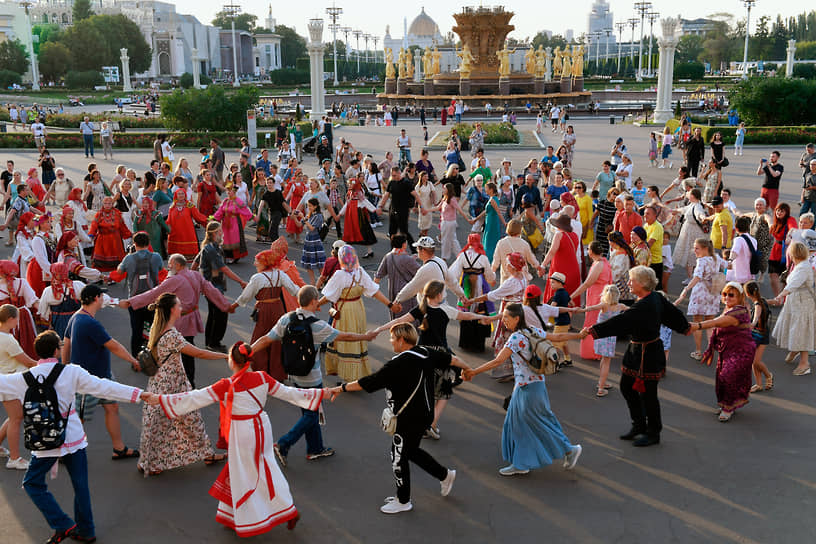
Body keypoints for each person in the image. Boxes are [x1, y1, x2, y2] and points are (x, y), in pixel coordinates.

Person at [0, 331, 150, 544]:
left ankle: (62, 523)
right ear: (56, 351)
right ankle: (85, 530)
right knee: (81, 486)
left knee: (33, 483)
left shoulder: (22, 378)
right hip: (73, 438)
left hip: (45, 441)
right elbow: (104, 387)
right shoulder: (71, 373)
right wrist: (138, 394)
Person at [327, 323, 466, 513]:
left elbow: (369, 382)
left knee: (398, 456)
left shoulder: (398, 363)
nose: (391, 341)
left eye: (393, 338)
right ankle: (444, 475)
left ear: (402, 340)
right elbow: (453, 359)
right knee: (411, 451)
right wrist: (469, 370)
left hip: (409, 418)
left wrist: (340, 388)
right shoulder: (425, 352)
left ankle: (403, 501)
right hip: (424, 413)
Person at [249, 286, 375, 465]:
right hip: (312, 376)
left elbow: (266, 339)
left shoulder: (286, 319)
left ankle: (315, 448)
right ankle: (284, 443)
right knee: (311, 416)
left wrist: (248, 352)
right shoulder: (317, 326)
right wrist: (365, 336)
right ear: (314, 301)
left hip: (294, 374)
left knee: (309, 412)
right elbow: (344, 336)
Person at [465, 303, 583, 475]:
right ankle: (523, 462)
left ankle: (567, 450)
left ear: (517, 318)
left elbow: (498, 361)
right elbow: (556, 337)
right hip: (534, 385)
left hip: (527, 389)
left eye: (506, 317)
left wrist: (474, 371)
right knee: (525, 423)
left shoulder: (515, 338)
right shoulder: (533, 330)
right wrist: (579, 335)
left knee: (533, 424)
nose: (503, 320)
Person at [584, 266, 691, 447]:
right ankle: (639, 425)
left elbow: (621, 322)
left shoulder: (645, 304)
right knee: (627, 387)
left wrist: (593, 331)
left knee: (649, 395)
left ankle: (653, 432)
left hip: (648, 353)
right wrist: (684, 326)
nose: (628, 283)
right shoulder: (654, 297)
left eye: (631, 280)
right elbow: (672, 313)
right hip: (636, 350)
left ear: (642, 283)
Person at [137, 293, 228, 476]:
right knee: (178, 422)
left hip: (161, 382)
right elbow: (198, 353)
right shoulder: (171, 335)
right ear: (171, 310)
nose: (181, 308)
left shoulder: (158, 328)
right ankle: (150, 462)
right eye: (178, 305)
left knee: (181, 421)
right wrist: (225, 356)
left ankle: (205, 454)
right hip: (172, 384)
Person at [123, 254, 232, 388]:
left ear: (177, 264)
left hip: (178, 321)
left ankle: (179, 384)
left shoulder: (174, 280)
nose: (168, 266)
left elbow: (154, 294)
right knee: (188, 352)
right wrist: (226, 306)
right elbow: (212, 291)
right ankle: (190, 383)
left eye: (170, 263)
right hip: (191, 318)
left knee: (174, 353)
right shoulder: (196, 275)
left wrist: (131, 302)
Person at [63, 284, 142, 460]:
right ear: (96, 298)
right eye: (102, 296)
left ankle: (119, 448)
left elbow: (66, 343)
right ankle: (64, 450)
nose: (103, 299)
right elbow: (113, 345)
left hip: (102, 375)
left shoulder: (77, 317)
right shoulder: (89, 322)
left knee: (112, 407)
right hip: (89, 380)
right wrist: (133, 360)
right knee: (79, 417)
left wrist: (65, 366)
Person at [319, 246, 391, 381]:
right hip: (358, 309)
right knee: (357, 337)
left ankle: (349, 376)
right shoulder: (360, 272)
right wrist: (389, 304)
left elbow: (328, 296)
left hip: (345, 310)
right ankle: (358, 373)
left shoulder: (340, 275)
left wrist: (316, 304)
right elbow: (374, 291)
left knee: (346, 338)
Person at [695, 282, 757, 422]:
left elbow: (715, 323)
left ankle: (728, 407)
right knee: (723, 378)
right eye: (724, 294)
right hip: (729, 350)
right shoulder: (730, 309)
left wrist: (695, 326)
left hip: (742, 351)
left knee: (728, 376)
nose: (727, 297)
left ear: (740, 297)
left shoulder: (738, 312)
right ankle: (727, 405)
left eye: (731, 295)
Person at [197, 223, 247, 352]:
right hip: (213, 287)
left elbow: (196, 262)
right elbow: (224, 269)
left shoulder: (209, 247)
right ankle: (214, 343)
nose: (222, 233)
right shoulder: (212, 250)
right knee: (221, 313)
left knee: (214, 314)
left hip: (210, 286)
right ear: (214, 234)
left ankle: (210, 342)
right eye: (220, 231)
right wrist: (240, 281)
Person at [770, 241, 816, 376]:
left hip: (803, 304)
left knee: (801, 330)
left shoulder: (803, 267)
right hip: (796, 302)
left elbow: (793, 284)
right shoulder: (801, 265)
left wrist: (779, 297)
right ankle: (796, 350)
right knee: (795, 328)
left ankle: (804, 364)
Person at [0, 304, 37, 470]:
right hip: (11, 382)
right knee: (16, 418)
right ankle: (14, 459)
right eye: (17, 319)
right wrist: (47, 365)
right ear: (10, 319)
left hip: (6, 380)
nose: (17, 322)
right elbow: (27, 361)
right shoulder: (7, 340)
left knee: (14, 416)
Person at [449, 233, 497, 353]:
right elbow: (490, 275)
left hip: (466, 285)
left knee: (466, 309)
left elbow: (453, 273)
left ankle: (465, 342)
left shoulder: (462, 255)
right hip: (481, 286)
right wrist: (492, 280)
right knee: (480, 310)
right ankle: (478, 344)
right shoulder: (482, 257)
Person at [674, 238, 721, 360]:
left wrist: (685, 290)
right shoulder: (716, 258)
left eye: (697, 248)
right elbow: (729, 264)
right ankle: (710, 351)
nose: (694, 251)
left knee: (697, 323)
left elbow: (697, 277)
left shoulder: (702, 261)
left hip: (700, 293)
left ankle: (699, 351)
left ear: (705, 249)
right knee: (710, 324)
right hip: (713, 293)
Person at [570, 241, 612, 360]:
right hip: (600, 295)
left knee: (592, 323)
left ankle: (594, 352)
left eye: (588, 249)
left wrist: (571, 296)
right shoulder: (604, 262)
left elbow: (587, 284)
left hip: (596, 297)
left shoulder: (598, 265)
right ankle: (599, 351)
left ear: (591, 252)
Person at [375, 234, 421, 319]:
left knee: (396, 319)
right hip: (407, 293)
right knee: (409, 318)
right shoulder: (407, 259)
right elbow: (422, 272)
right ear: (404, 244)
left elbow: (378, 277)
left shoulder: (388, 256)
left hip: (392, 294)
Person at [540, 213, 580, 305]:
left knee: (555, 300)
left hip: (560, 270)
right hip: (573, 269)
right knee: (569, 302)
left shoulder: (559, 235)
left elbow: (552, 252)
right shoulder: (574, 235)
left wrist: (543, 265)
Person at [87, 195, 131, 273]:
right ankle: (98, 277)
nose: (107, 205)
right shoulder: (99, 214)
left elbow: (122, 226)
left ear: (112, 204)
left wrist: (129, 234)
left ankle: (114, 276)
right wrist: (91, 234)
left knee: (116, 263)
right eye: (105, 203)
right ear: (103, 204)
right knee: (99, 263)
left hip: (115, 240)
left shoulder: (117, 213)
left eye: (109, 203)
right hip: (102, 240)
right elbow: (94, 225)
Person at [744, 281, 773, 393]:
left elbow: (756, 316)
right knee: (754, 361)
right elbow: (771, 302)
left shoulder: (757, 304)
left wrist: (752, 324)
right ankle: (759, 384)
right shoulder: (763, 300)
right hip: (762, 334)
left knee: (755, 361)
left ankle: (768, 375)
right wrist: (776, 300)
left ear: (747, 293)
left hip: (759, 334)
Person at [213, 185, 252, 264]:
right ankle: (227, 256)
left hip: (234, 222)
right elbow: (220, 211)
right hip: (225, 222)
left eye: (229, 191)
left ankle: (235, 257)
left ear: (234, 192)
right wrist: (213, 218)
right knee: (225, 238)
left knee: (234, 238)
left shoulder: (238, 201)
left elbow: (245, 210)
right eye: (227, 191)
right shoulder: (225, 201)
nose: (228, 192)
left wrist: (253, 217)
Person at [167, 189, 209, 262]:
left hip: (187, 231)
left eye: (182, 194)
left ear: (185, 195)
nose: (181, 195)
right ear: (176, 195)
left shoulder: (189, 205)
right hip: (175, 232)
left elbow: (197, 215)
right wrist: (167, 227)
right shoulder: (172, 206)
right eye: (179, 194)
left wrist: (207, 220)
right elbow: (169, 219)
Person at [767, 202, 797, 296]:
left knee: (786, 277)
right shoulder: (776, 221)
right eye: (778, 210)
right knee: (772, 274)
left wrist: (789, 236)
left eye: (782, 211)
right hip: (775, 251)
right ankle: (777, 296)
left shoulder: (790, 219)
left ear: (786, 212)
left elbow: (793, 229)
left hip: (786, 251)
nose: (779, 213)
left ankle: (783, 297)